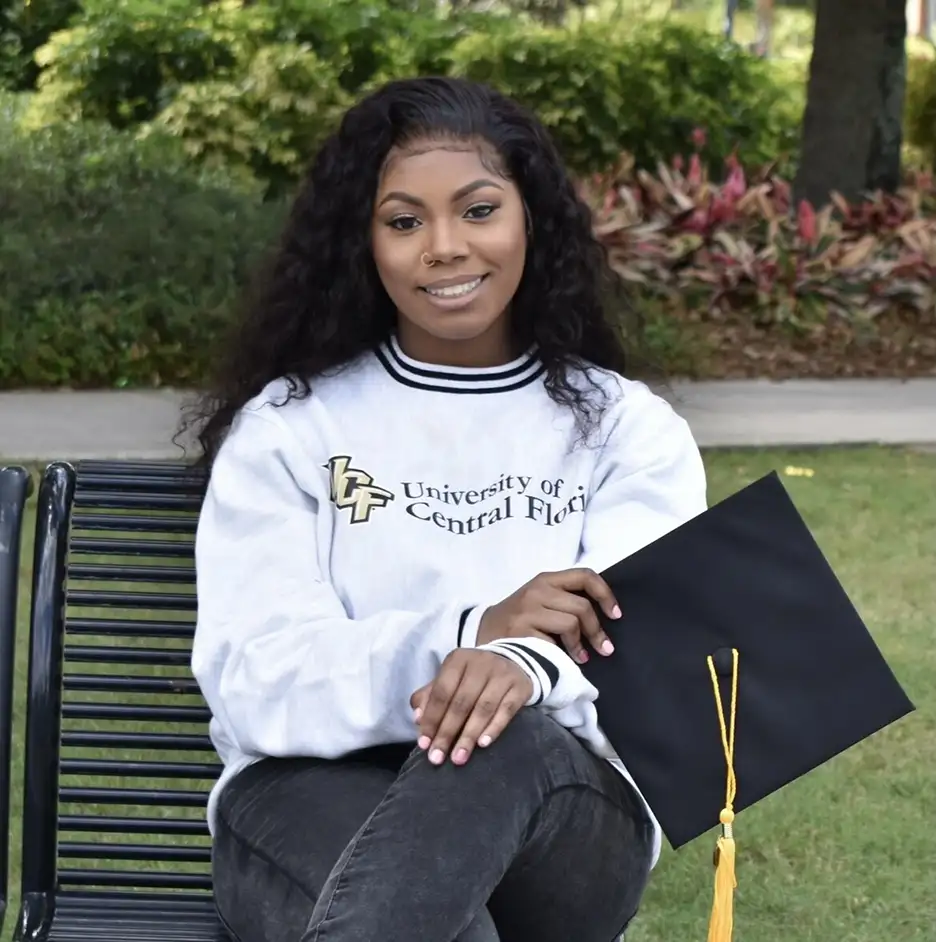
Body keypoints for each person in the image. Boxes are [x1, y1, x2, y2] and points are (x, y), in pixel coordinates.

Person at [189, 75, 708, 942]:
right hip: (308, 799)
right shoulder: (292, 426)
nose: (443, 247)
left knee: (505, 743)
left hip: (563, 822)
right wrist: (465, 633)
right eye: (403, 221)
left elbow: (651, 672)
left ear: (530, 220)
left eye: (477, 210)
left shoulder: (623, 428)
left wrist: (518, 666)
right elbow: (256, 679)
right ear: (364, 242)